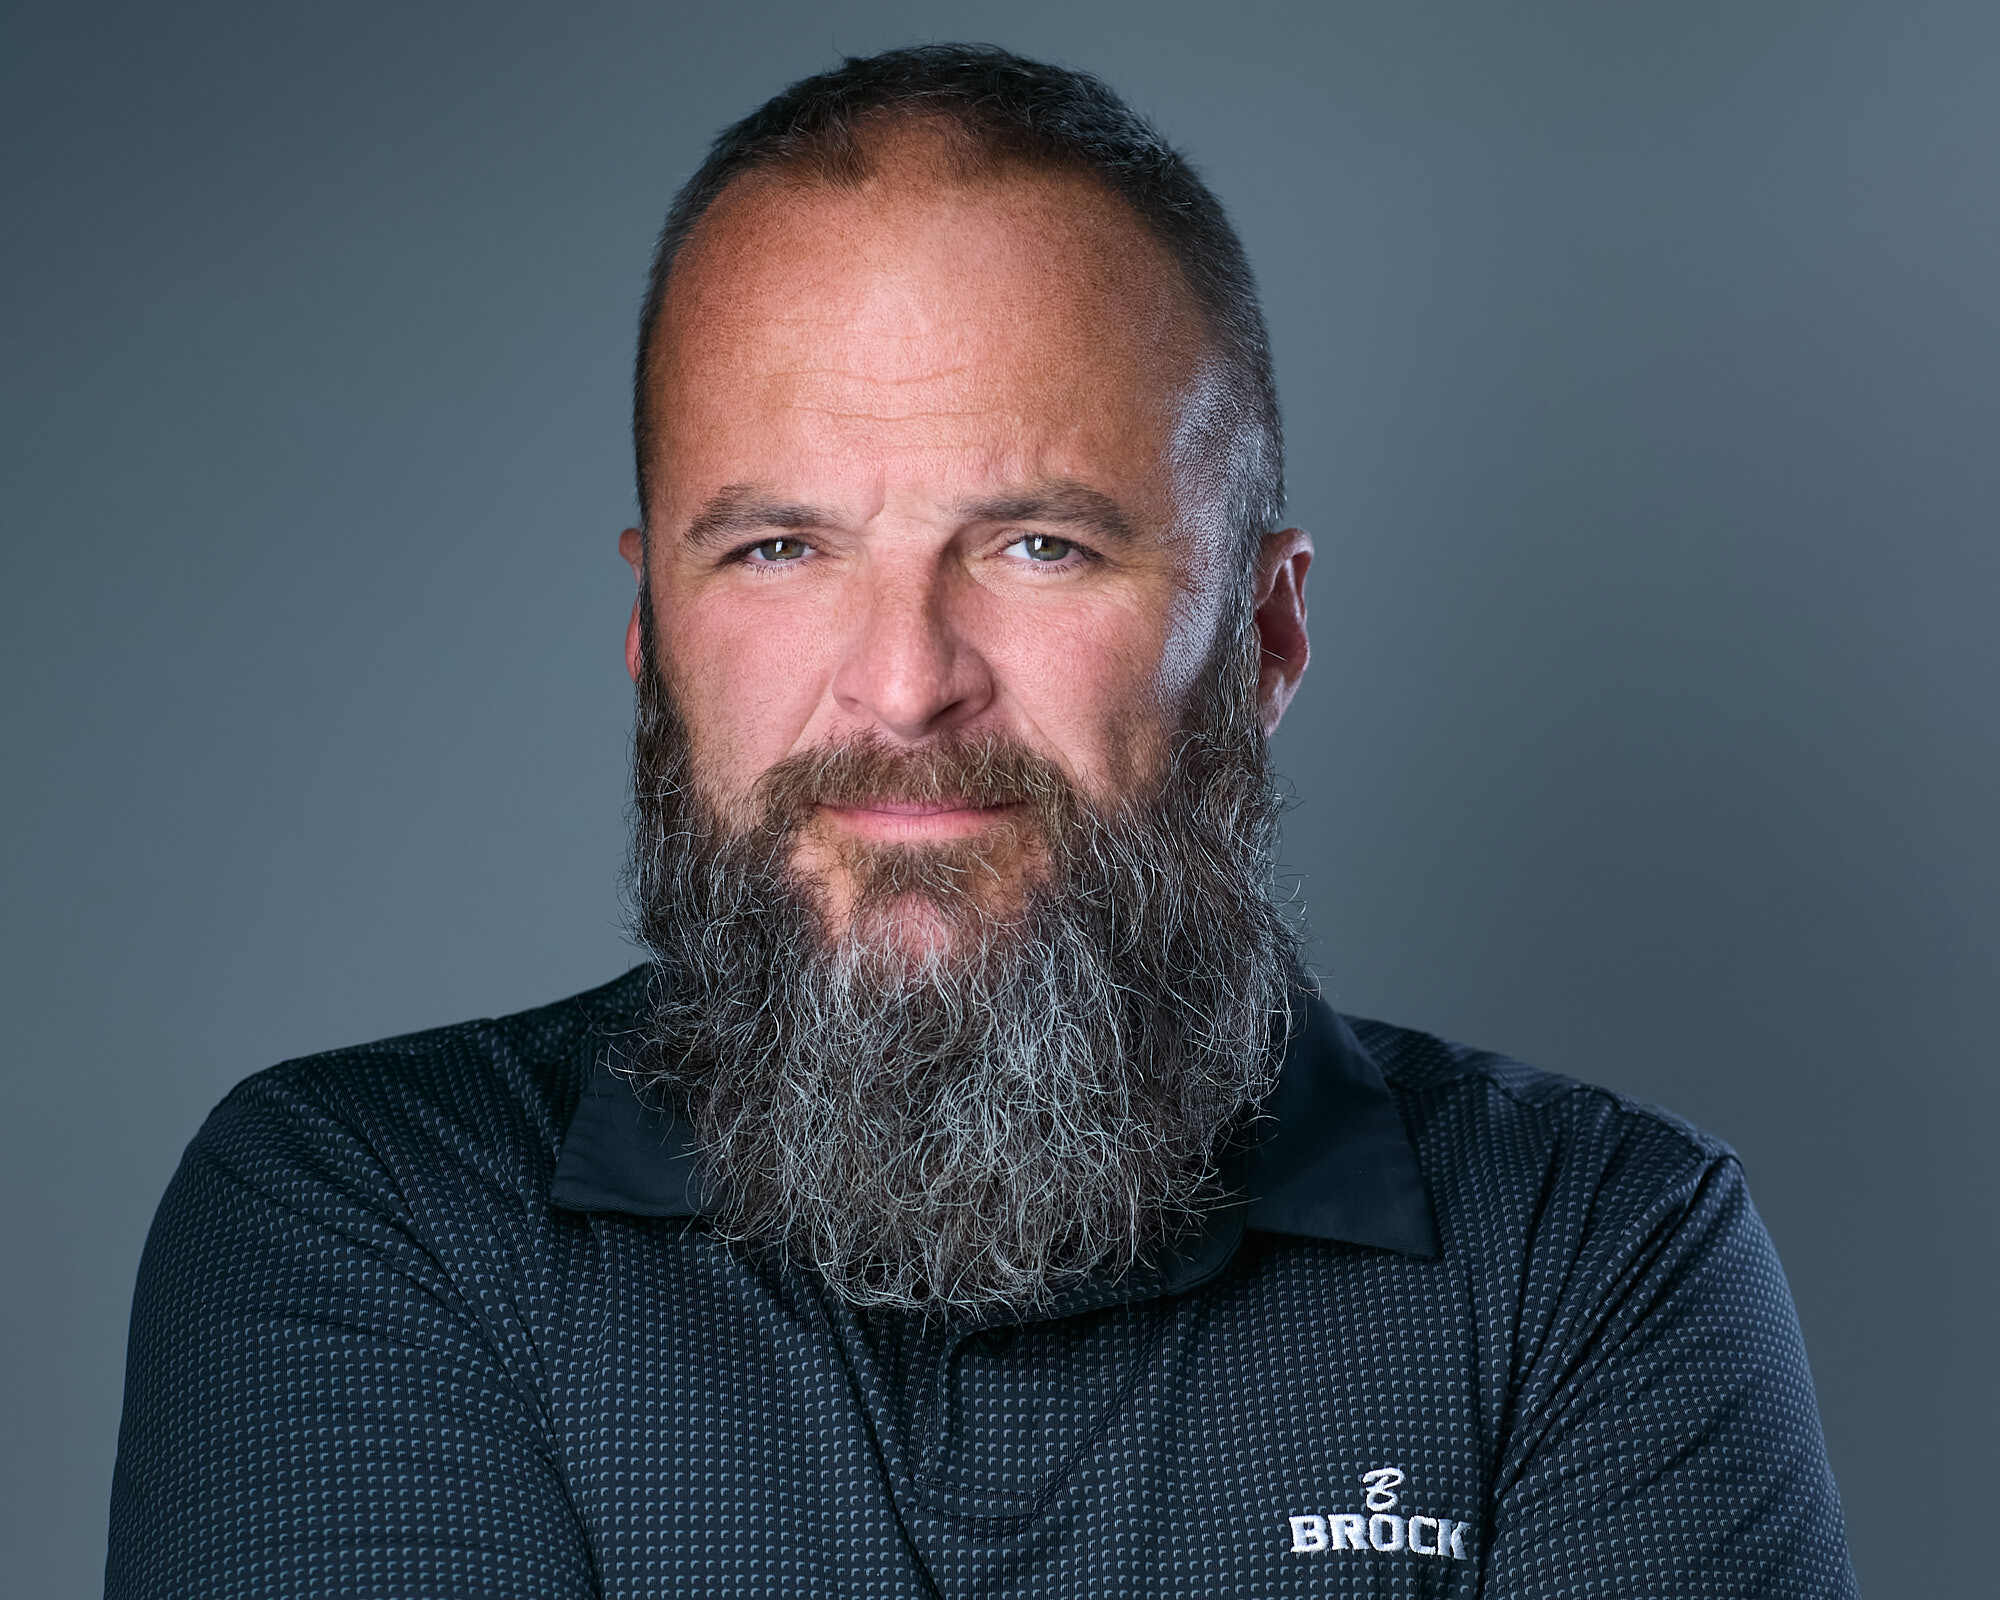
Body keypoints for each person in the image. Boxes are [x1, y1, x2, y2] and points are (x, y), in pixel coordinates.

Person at [105, 44, 1858, 1599]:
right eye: (780, 549)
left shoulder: (1592, 1261)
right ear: (652, 638)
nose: (903, 684)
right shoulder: (364, 1217)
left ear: (1262, 630)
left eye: (1040, 546)